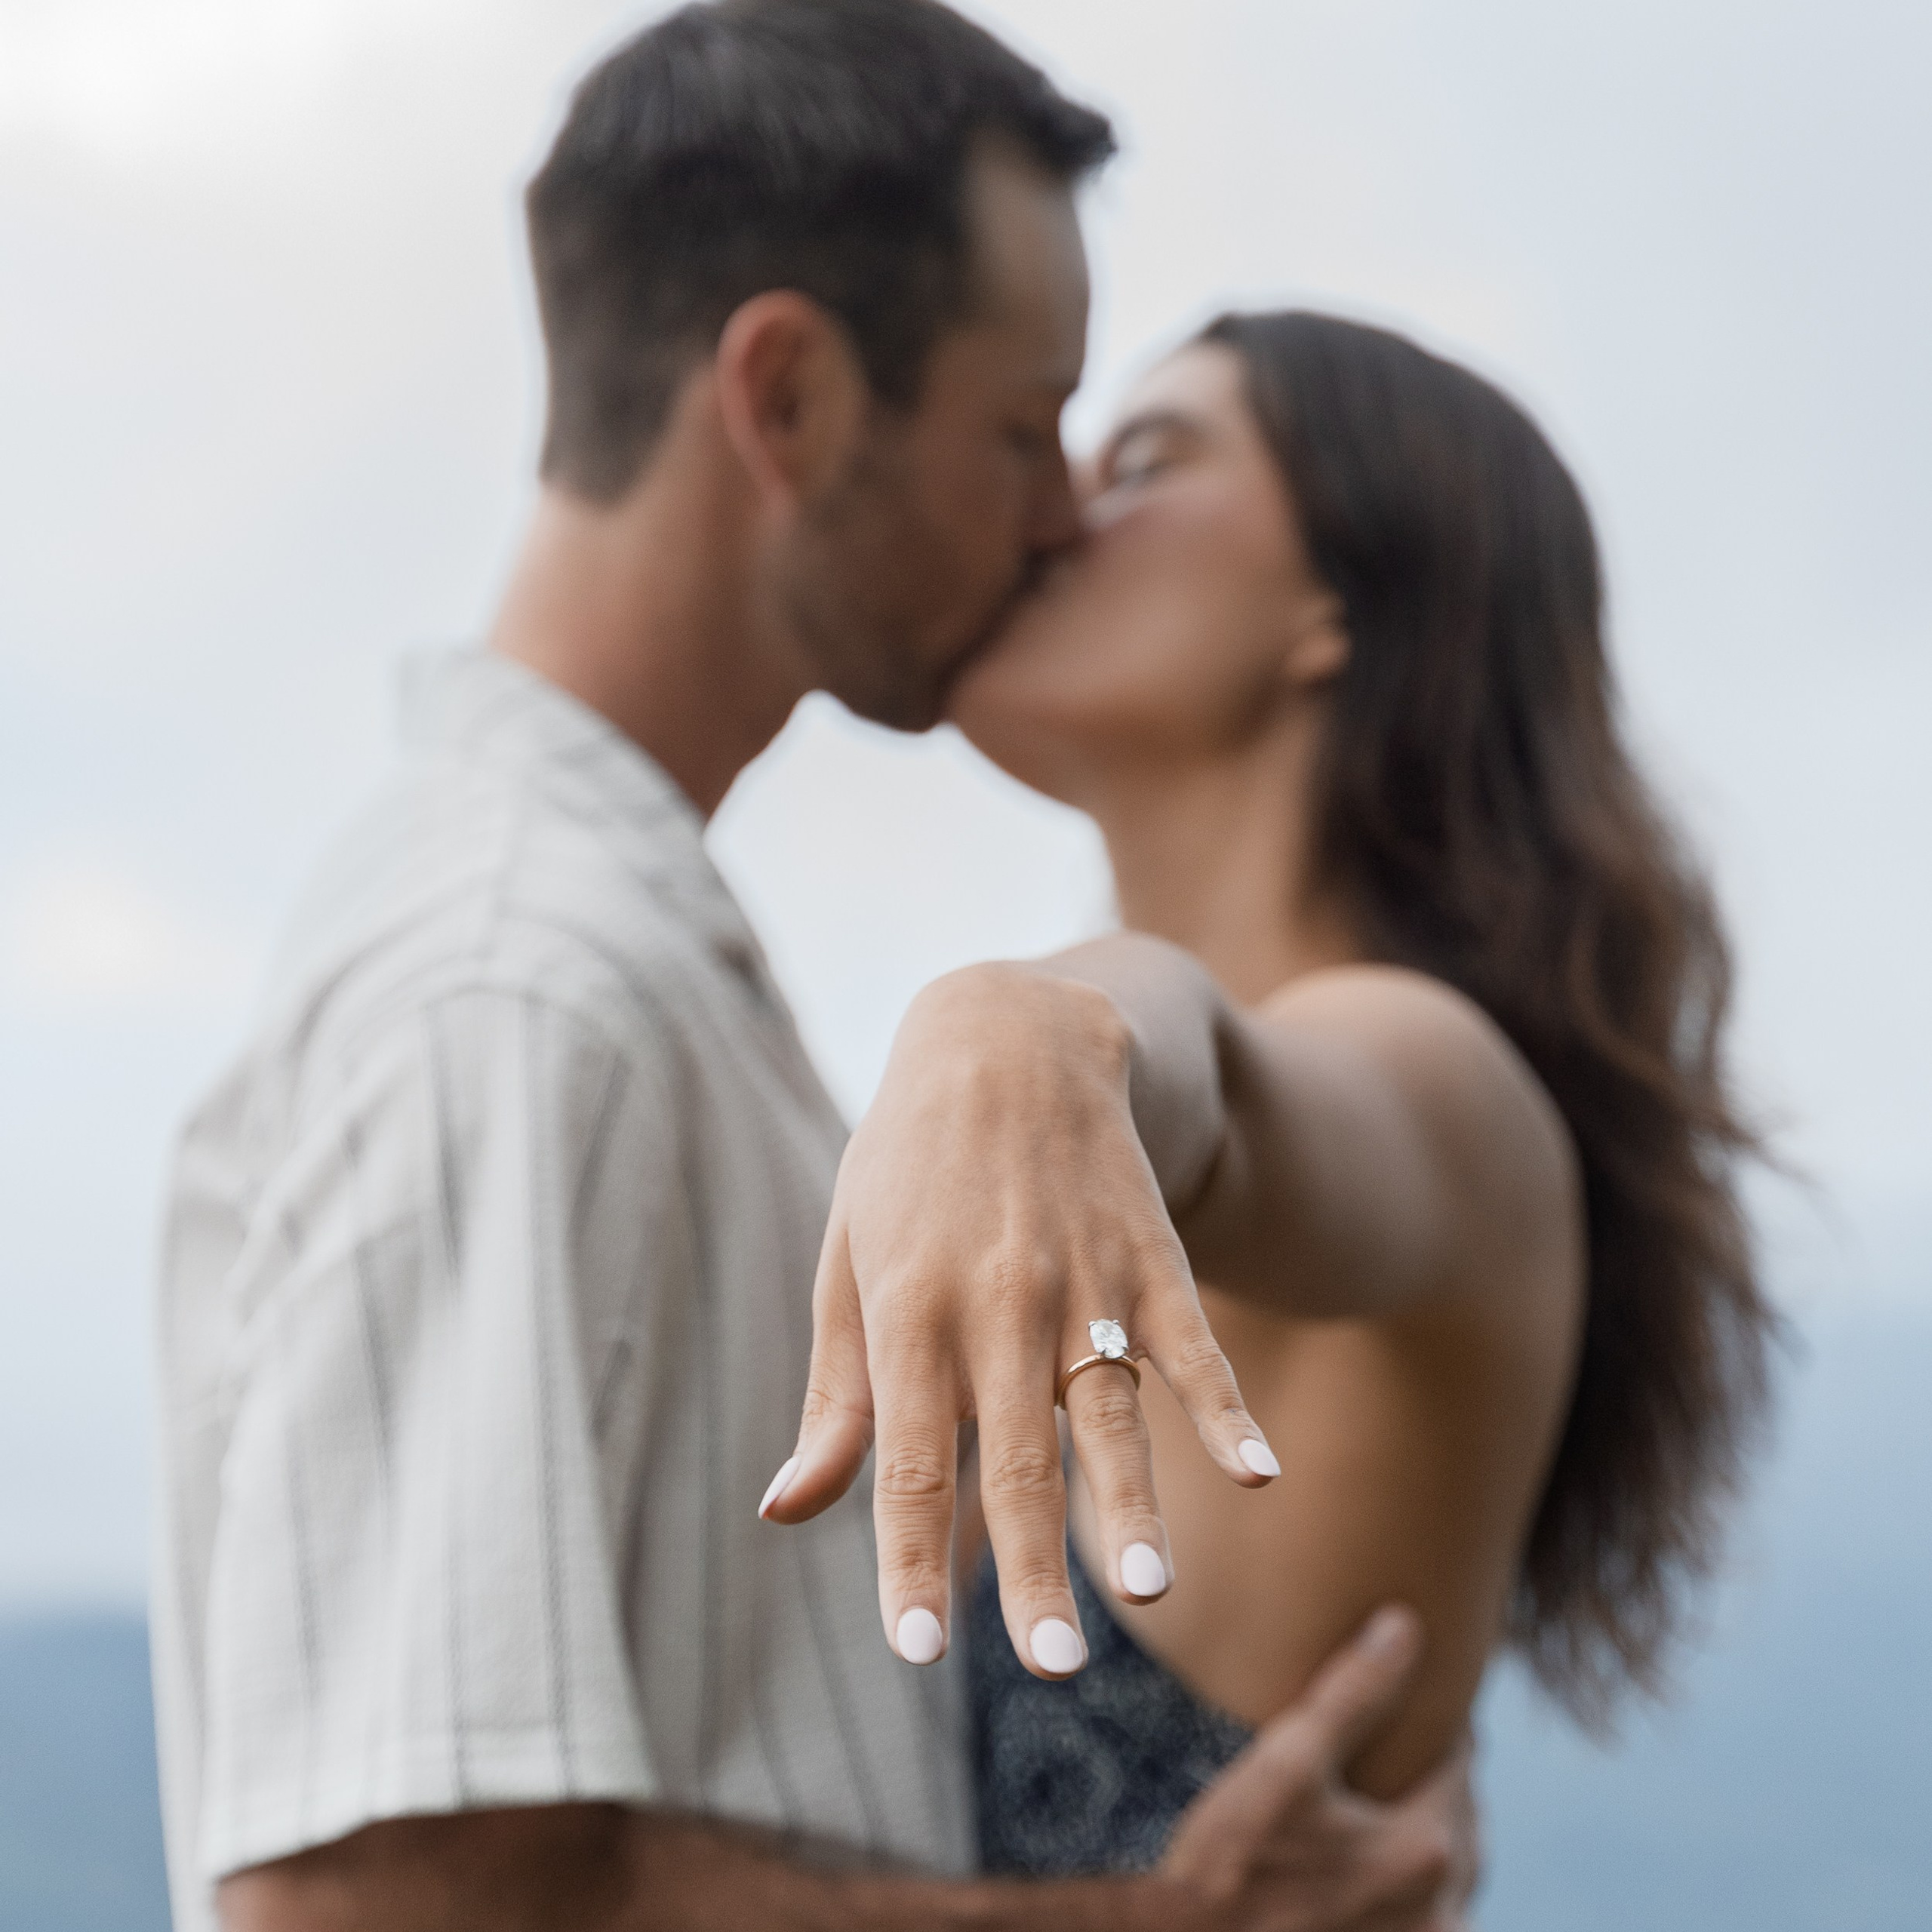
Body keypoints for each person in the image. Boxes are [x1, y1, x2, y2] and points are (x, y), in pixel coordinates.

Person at [152, 7, 1476, 1930]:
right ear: (784, 398)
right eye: (1020, 425)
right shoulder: (522, 986)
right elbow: (373, 1906)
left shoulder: (616, 961)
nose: (1056, 511)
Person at [764, 312, 1775, 1875]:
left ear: (1338, 605)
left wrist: (1024, 1029)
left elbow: (1217, 1083)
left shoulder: (1440, 1085)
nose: (1056, 511)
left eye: (1148, 458)